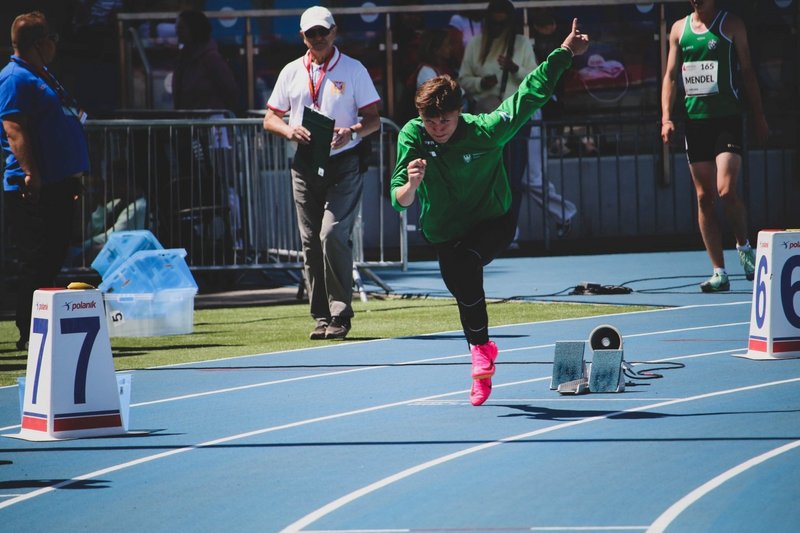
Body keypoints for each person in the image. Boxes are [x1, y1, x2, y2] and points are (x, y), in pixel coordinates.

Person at [391, 19, 589, 405]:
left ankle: (480, 356)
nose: (437, 128)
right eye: (430, 121)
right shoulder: (412, 136)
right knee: (462, 288)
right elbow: (399, 199)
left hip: (493, 220)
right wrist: (411, 185)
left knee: (467, 266)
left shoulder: (485, 130)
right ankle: (481, 351)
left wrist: (565, 52)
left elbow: (530, 93)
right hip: (445, 231)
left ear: (459, 112)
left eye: (445, 120)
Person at [262, 6, 381, 340]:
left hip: (344, 161)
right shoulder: (291, 71)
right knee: (311, 242)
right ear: (303, 37)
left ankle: (340, 313)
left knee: (332, 234)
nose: (318, 38)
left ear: (334, 31)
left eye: (323, 31)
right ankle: (321, 315)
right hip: (304, 162)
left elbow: (374, 119)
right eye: (311, 33)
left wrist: (351, 132)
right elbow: (270, 118)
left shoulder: (354, 69)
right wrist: (290, 130)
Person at [661, 0, 768, 293]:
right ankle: (719, 271)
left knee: (726, 189)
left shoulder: (731, 24)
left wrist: (759, 116)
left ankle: (744, 247)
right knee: (704, 197)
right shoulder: (678, 29)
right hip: (696, 123)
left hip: (726, 120)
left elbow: (748, 72)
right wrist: (666, 118)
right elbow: (670, 76)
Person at [1, 11, 89, 351]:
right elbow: (14, 128)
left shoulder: (43, 75)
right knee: (37, 258)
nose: (55, 44)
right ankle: (29, 331)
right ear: (40, 43)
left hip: (58, 182)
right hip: (35, 186)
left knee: (53, 254)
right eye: (52, 38)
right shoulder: (14, 78)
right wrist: (31, 174)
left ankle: (44, 327)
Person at [457, 0, 538, 241]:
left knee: (513, 178)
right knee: (482, 178)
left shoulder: (522, 44)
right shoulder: (475, 44)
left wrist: (515, 69)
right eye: (494, 22)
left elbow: (535, 79)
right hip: (484, 119)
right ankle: (485, 232)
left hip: (514, 120)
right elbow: (463, 79)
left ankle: (509, 231)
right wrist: (482, 83)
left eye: (502, 23)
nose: (498, 27)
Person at [172, 9, 239, 113]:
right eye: (177, 28)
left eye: (181, 28)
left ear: (194, 29)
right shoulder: (183, 58)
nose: (177, 32)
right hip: (188, 118)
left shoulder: (211, 58)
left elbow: (230, 89)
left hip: (211, 119)